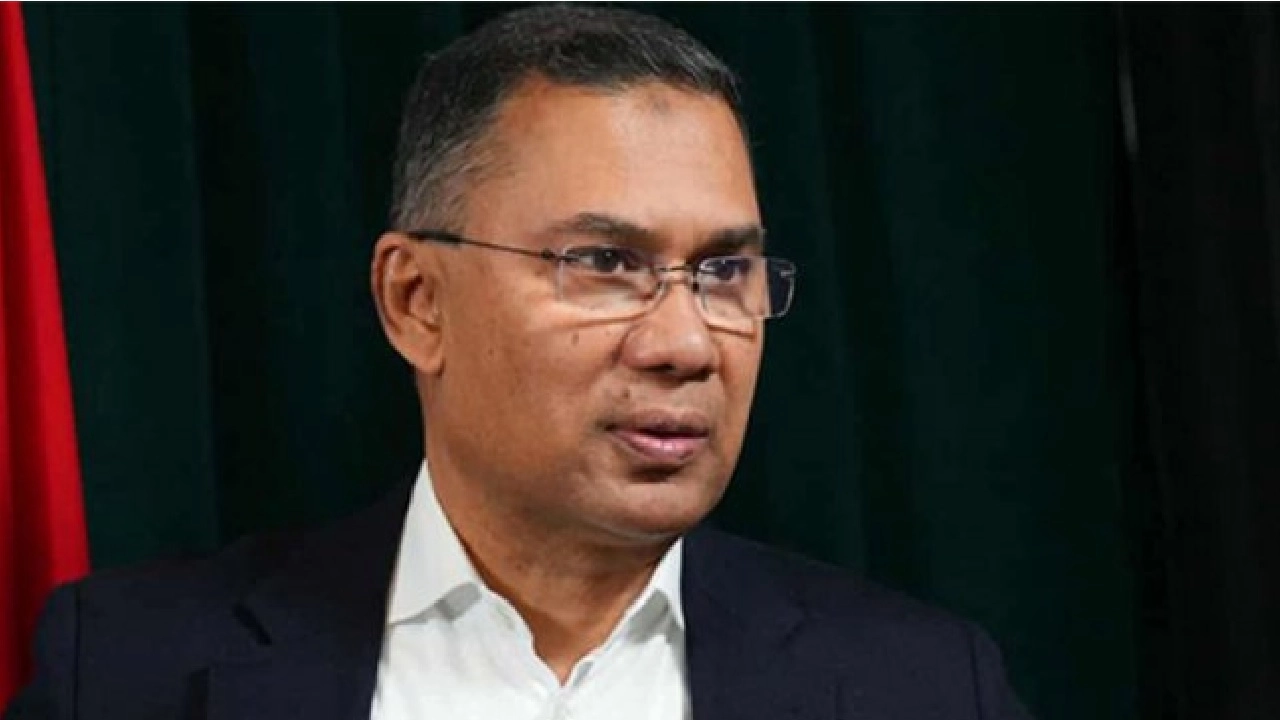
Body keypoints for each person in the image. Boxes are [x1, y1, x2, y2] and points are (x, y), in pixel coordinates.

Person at [5, 6, 1031, 720]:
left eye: (724, 270)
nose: (684, 345)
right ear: (416, 301)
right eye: (604, 264)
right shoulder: (128, 674)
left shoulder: (929, 688)